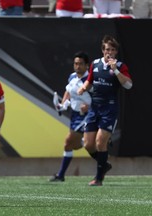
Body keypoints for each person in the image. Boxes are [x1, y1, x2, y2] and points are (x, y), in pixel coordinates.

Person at [77, 35, 133, 186]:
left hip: (109, 108)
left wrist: (115, 70)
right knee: (88, 145)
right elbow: (90, 80)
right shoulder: (95, 64)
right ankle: (104, 164)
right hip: (94, 108)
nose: (109, 52)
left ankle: (99, 178)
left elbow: (128, 85)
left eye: (113, 50)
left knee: (100, 142)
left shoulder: (120, 66)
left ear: (116, 52)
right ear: (103, 50)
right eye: (107, 49)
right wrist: (84, 87)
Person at [49, 51, 91, 182]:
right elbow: (68, 91)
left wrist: (89, 107)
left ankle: (61, 175)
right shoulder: (72, 77)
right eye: (76, 64)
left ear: (87, 66)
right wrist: (62, 104)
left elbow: (100, 98)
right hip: (74, 115)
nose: (78, 66)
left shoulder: (90, 80)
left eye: (81, 64)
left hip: (86, 115)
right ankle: (91, 140)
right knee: (72, 146)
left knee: (68, 142)